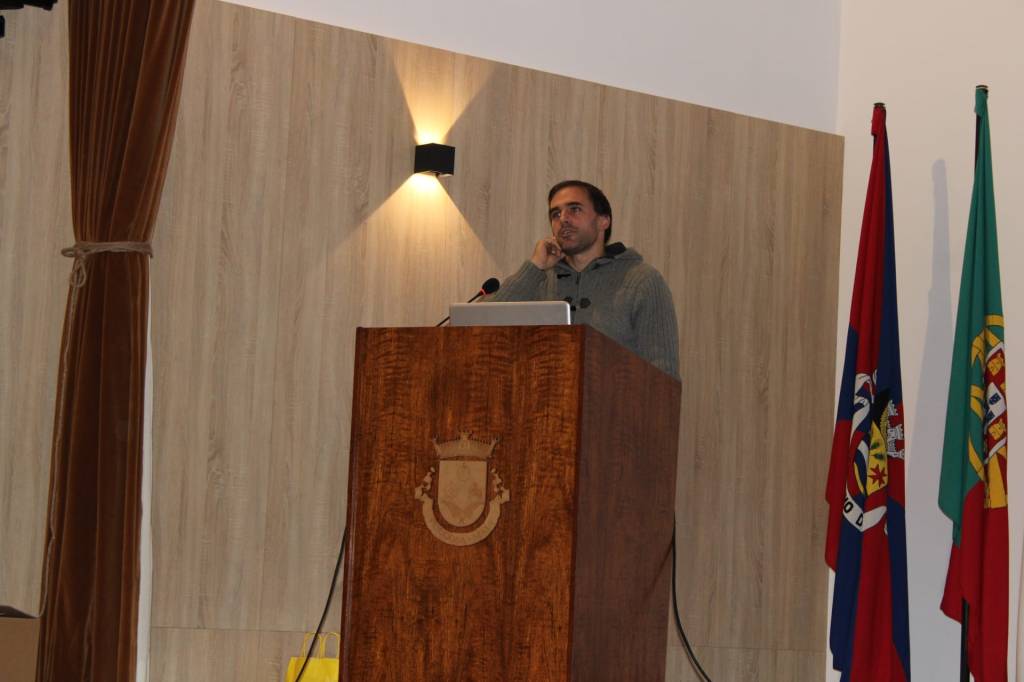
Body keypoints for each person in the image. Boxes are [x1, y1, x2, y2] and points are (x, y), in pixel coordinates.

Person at [488, 180, 679, 379]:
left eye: (575, 209)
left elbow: (663, 375)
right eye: (555, 214)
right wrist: (535, 266)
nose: (563, 219)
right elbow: (482, 328)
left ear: (603, 221)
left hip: (612, 398)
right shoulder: (539, 280)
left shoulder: (642, 281)